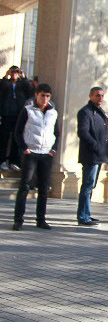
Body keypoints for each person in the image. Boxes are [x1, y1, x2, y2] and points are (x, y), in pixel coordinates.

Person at [12, 84, 60, 231]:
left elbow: (56, 133)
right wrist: (24, 149)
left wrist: (53, 150)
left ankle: (41, 219)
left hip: (46, 154)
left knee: (44, 188)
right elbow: (18, 131)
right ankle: (18, 219)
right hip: (31, 153)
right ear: (36, 95)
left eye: (47, 96)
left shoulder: (53, 113)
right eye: (42, 95)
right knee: (25, 186)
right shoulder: (28, 111)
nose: (45, 98)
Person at [76, 87, 108, 226]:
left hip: (100, 155)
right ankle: (83, 216)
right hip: (91, 155)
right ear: (91, 96)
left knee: (91, 186)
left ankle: (87, 213)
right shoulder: (86, 112)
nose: (100, 98)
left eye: (102, 96)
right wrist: (96, 146)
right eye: (97, 95)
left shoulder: (100, 112)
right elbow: (83, 132)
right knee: (87, 185)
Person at [0, 66, 32, 171]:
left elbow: (29, 89)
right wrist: (6, 76)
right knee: (3, 138)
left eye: (16, 72)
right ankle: (3, 161)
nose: (14, 74)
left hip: (18, 114)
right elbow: (2, 87)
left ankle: (14, 161)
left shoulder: (22, 84)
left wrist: (24, 77)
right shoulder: (6, 82)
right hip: (6, 114)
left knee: (16, 138)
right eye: (13, 72)